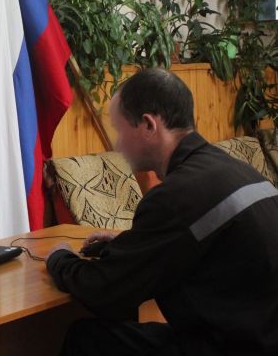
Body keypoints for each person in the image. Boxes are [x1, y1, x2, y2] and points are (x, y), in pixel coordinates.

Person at [45, 68, 278, 356]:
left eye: (120, 130)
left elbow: (103, 289)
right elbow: (205, 247)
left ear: (148, 125)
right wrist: (133, 245)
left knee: (87, 338)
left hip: (236, 346)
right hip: (258, 336)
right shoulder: (233, 169)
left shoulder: (176, 195)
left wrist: (59, 257)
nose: (117, 144)